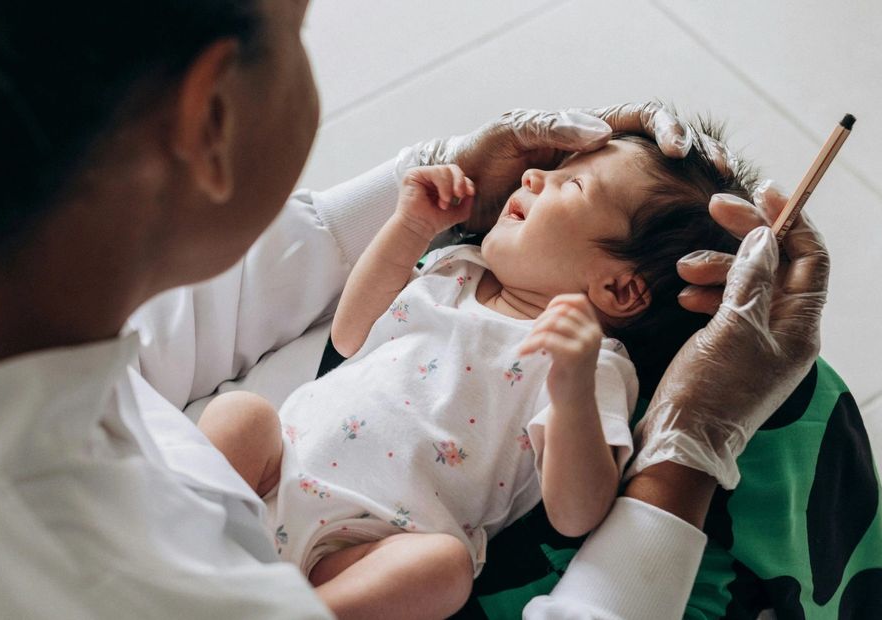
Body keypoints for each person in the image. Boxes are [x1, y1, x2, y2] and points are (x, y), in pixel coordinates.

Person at [0, 1, 829, 618]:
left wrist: (429, 192)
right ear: (208, 114)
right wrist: (690, 443)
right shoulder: (131, 587)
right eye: (298, 30)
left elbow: (152, 323)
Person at [194, 129, 759, 618]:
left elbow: (577, 515)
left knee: (444, 569)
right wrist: (409, 226)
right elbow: (351, 336)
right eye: (555, 169)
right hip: (278, 468)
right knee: (240, 415)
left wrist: (570, 391)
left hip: (369, 544)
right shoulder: (456, 270)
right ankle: (177, 529)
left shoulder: (592, 365)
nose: (535, 174)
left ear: (617, 287)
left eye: (573, 185)